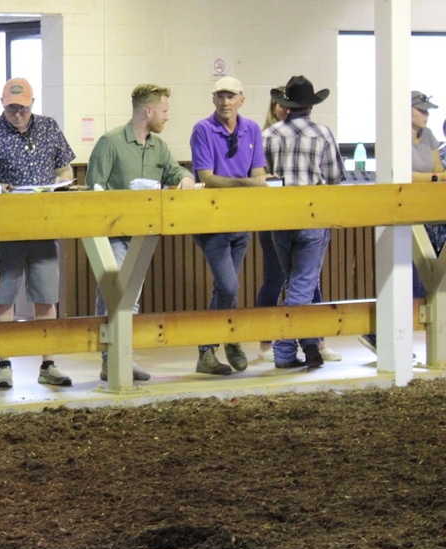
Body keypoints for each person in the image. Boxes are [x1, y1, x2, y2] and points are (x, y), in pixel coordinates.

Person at [87, 83, 196, 381]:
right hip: (113, 235)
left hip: (143, 236)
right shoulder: (110, 143)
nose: (167, 117)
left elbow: (178, 172)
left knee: (131, 298)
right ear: (148, 111)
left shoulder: (158, 146)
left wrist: (185, 179)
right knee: (115, 295)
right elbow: (93, 190)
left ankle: (121, 358)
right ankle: (113, 360)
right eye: (164, 111)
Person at [0, 78, 74, 388]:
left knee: (45, 295)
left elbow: (65, 167)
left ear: (32, 104)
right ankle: (5, 363)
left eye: (23, 108)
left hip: (43, 221)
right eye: (12, 108)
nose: (17, 114)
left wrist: (61, 180)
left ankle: (49, 362)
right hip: (5, 224)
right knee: (4, 297)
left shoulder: (48, 127)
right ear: (3, 104)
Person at [187, 77, 268, 376]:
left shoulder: (252, 130)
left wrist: (257, 183)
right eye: (220, 96)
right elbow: (207, 177)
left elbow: (259, 171)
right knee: (229, 285)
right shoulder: (203, 130)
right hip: (212, 221)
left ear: (241, 100)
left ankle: (209, 350)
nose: (225, 102)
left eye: (231, 97)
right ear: (213, 100)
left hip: (242, 220)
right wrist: (248, 183)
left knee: (224, 288)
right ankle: (230, 337)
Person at [262, 75, 344, 369]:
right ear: (310, 106)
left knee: (300, 282)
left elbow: (262, 176)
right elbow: (334, 178)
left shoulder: (269, 135)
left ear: (286, 105)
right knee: (302, 286)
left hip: (279, 219)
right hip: (312, 217)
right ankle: (284, 348)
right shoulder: (322, 133)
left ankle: (310, 344)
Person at [360, 91, 446, 352]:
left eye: (428, 111)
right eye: (421, 110)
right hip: (402, 211)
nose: (426, 115)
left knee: (422, 281)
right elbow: (403, 174)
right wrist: (431, 178)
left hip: (426, 214)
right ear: (406, 110)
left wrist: (431, 177)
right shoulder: (394, 138)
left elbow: (438, 172)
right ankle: (384, 336)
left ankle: (396, 340)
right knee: (405, 278)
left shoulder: (428, 136)